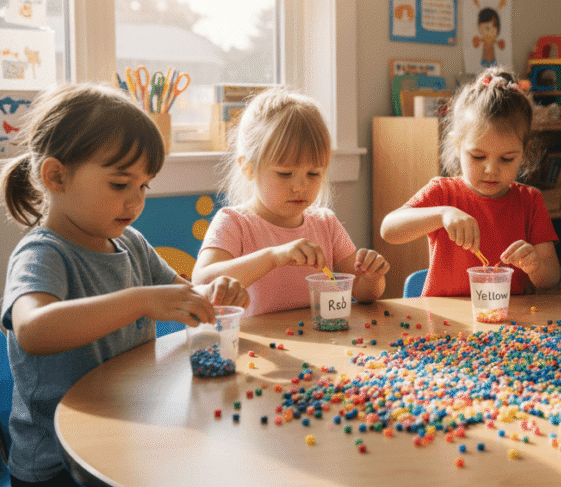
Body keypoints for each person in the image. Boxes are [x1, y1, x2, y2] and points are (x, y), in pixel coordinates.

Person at [0, 84, 249, 486]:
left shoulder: (131, 243)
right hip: (58, 464)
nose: (135, 202)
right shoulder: (43, 254)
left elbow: (181, 296)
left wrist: (217, 293)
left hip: (129, 436)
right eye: (120, 184)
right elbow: (32, 330)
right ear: (56, 176)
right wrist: (137, 301)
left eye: (144, 186)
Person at [192, 88, 388, 316]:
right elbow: (202, 281)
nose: (299, 186)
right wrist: (273, 257)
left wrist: (373, 278)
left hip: (321, 344)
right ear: (248, 168)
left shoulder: (325, 223)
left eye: (313, 174)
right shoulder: (234, 223)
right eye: (285, 174)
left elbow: (362, 292)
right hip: (259, 350)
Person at [380, 68, 561, 296]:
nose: (491, 170)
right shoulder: (443, 193)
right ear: (457, 147)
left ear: (524, 153)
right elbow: (389, 229)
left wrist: (535, 265)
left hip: (506, 322)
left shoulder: (530, 201)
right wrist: (441, 214)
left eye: (507, 159)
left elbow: (551, 278)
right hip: (446, 326)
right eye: (478, 156)